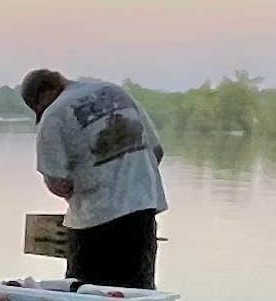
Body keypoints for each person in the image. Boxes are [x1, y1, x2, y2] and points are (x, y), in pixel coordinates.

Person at [20, 67, 166, 286]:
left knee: (85, 295)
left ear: (44, 94)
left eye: (37, 108)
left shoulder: (54, 115)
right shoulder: (116, 92)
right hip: (141, 213)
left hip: (93, 223)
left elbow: (57, 183)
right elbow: (157, 152)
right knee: (136, 294)